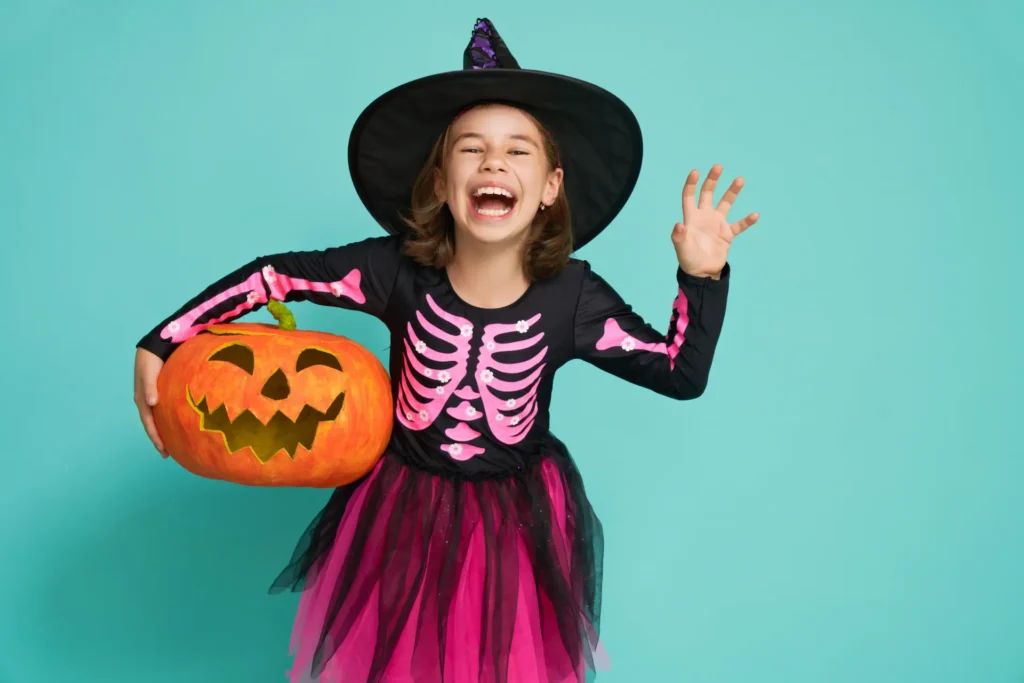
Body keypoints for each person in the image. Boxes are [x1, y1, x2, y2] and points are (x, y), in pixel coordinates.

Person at [133, 18, 759, 683]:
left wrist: (702, 275)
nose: (494, 163)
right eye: (471, 148)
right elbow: (275, 276)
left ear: (551, 187)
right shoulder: (395, 270)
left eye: (519, 151)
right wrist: (163, 340)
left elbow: (678, 371)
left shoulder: (574, 298)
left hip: (514, 527)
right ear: (439, 182)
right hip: (398, 513)